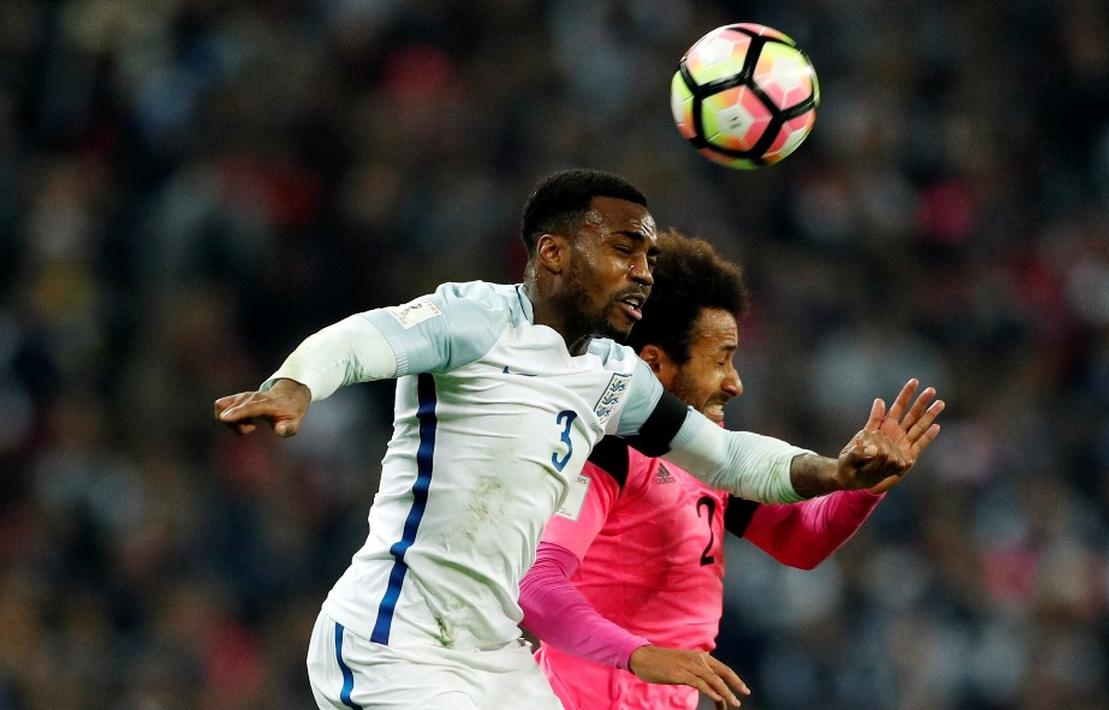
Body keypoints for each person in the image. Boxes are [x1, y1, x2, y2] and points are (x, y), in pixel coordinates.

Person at [213, 169, 933, 710]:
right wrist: (293, 385)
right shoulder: (476, 321)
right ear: (553, 253)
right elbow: (360, 340)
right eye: (624, 250)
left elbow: (728, 459)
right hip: (393, 640)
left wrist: (836, 472)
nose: (642, 275)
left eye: (648, 258)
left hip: (492, 655)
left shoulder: (613, 376)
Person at [519, 230, 943, 709]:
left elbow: (798, 540)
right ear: (656, 365)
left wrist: (865, 486)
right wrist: (638, 654)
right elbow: (537, 585)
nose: (735, 383)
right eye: (720, 361)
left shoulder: (705, 458)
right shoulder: (606, 452)